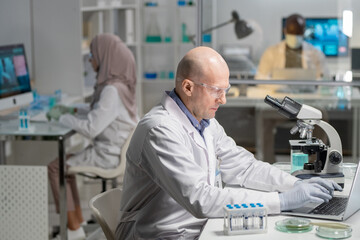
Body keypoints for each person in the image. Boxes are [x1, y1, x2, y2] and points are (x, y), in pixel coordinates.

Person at [115, 46, 341, 239]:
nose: (223, 100)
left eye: (225, 91)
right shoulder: (159, 130)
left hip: (199, 228)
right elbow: (201, 199)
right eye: (216, 91)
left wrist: (294, 184)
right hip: (164, 234)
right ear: (187, 87)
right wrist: (281, 201)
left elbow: (245, 167)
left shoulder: (205, 122)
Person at [47, 33, 138, 240]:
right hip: (113, 150)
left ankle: (72, 228)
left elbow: (91, 128)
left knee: (55, 167)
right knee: (63, 165)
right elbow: (98, 111)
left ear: (105, 56)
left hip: (107, 155)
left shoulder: (111, 91)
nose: (90, 59)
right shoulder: (120, 86)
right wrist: (72, 110)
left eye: (92, 54)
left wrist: (62, 118)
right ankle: (76, 224)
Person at [255, 13, 329, 80]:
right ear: (285, 31)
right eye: (291, 32)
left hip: (307, 94)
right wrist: (277, 86)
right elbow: (260, 78)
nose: (294, 36)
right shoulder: (271, 52)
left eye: (298, 33)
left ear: (303, 32)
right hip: (278, 94)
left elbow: (324, 79)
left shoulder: (316, 54)